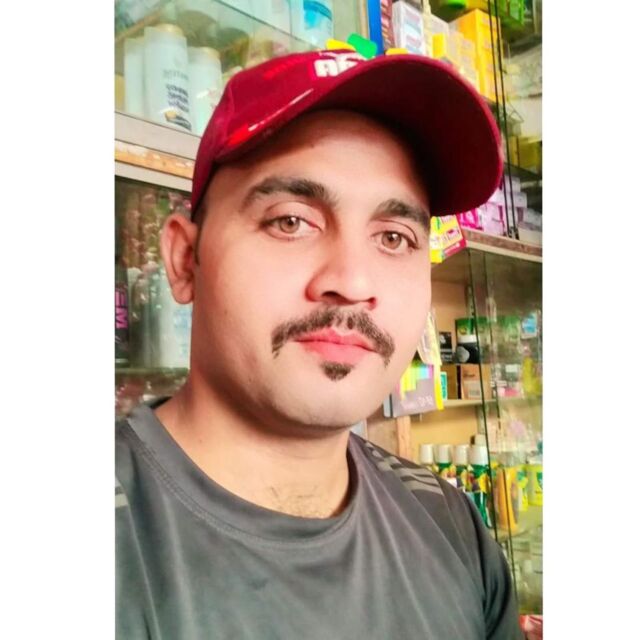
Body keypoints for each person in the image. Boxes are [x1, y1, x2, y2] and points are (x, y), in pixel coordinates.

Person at [116, 49, 523, 639]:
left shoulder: (451, 524)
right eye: (291, 221)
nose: (352, 282)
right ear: (184, 260)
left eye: (394, 237)